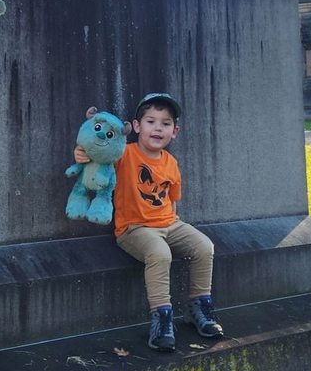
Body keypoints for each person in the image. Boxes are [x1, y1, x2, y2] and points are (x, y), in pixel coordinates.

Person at [73, 92, 224, 352]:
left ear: (174, 131)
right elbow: (98, 158)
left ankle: (199, 307)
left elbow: (172, 199)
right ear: (137, 126)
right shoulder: (125, 154)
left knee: (204, 246)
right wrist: (81, 153)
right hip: (134, 228)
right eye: (151, 121)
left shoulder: (171, 163)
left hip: (170, 223)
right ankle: (162, 318)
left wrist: (174, 226)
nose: (158, 128)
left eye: (165, 123)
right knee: (160, 253)